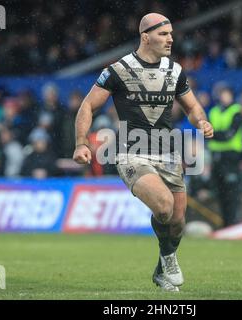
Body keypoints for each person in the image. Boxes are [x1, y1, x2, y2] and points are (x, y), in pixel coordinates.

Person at [73, 13, 213, 292]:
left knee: (177, 221)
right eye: (163, 34)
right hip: (131, 153)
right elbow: (88, 106)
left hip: (168, 154)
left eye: (171, 33)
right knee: (163, 206)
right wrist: (81, 143)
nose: (170, 39)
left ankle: (163, 266)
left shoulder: (174, 70)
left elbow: (193, 107)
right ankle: (170, 260)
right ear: (145, 37)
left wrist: (202, 121)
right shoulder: (119, 70)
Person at [208, 86, 242, 225]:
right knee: (220, 193)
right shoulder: (214, 111)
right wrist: (218, 135)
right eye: (222, 94)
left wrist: (215, 135)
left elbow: (229, 135)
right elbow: (208, 132)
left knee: (232, 193)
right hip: (217, 157)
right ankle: (225, 223)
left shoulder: (236, 111)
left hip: (231, 157)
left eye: (227, 94)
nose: (224, 97)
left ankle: (232, 223)